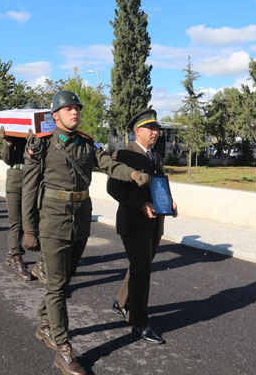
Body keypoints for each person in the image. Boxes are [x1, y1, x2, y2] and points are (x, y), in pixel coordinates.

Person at [22, 90, 152, 375]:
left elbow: (109, 165)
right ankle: (63, 350)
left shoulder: (87, 144)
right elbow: (29, 187)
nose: (75, 112)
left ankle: (45, 324)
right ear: (55, 116)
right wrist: (28, 229)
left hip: (81, 220)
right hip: (52, 222)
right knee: (57, 287)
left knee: (65, 281)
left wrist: (132, 175)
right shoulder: (42, 144)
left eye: (77, 108)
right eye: (68, 109)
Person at [107, 109, 178, 345]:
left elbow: (158, 185)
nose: (156, 133)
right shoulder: (124, 154)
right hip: (134, 223)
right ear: (137, 130)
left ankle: (122, 301)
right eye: (151, 128)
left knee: (141, 266)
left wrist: (169, 201)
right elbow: (114, 188)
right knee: (142, 272)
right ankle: (139, 322)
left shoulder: (154, 155)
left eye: (157, 129)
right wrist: (141, 205)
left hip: (155, 223)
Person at [0, 103, 39, 282]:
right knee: (15, 221)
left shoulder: (40, 137)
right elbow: (7, 160)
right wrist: (7, 142)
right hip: (16, 178)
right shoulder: (14, 135)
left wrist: (35, 142)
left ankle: (12, 252)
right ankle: (16, 259)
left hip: (34, 179)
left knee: (31, 219)